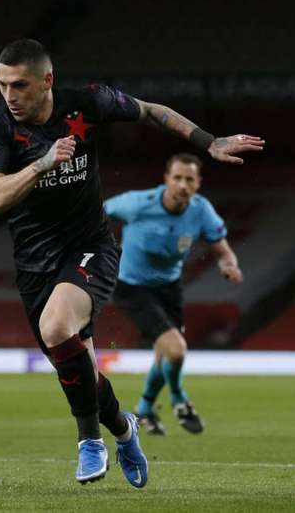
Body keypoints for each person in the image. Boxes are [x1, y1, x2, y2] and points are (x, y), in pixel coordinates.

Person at [0, 39, 263, 487]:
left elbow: (150, 110)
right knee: (81, 373)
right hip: (34, 263)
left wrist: (208, 141)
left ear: (47, 80)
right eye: (2, 85)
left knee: (55, 327)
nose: (9, 95)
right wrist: (43, 164)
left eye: (19, 85)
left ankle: (88, 442)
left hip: (91, 246)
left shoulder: (86, 103)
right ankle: (125, 431)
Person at [105, 153, 244, 435]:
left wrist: (229, 264)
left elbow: (221, 247)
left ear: (198, 183)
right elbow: (96, 213)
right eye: (177, 178)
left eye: (189, 179)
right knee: (176, 349)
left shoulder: (201, 210)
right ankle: (180, 400)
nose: (183, 185)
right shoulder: (137, 204)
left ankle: (144, 411)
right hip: (132, 287)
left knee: (168, 352)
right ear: (166, 179)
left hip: (169, 287)